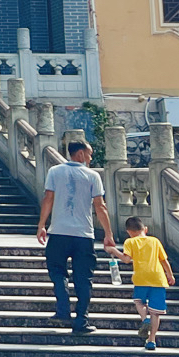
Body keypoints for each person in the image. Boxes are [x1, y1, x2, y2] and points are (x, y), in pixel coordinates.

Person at [36, 140, 115, 335]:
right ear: (80, 154)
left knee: (57, 271)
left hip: (59, 232)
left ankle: (63, 310)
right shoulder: (92, 176)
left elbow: (48, 198)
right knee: (83, 278)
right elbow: (100, 206)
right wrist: (108, 234)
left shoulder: (55, 171)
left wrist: (42, 225)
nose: (90, 158)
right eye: (89, 154)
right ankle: (81, 320)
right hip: (83, 235)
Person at [118, 215, 174, 351]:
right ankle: (152, 340)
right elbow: (164, 260)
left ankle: (144, 319)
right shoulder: (155, 241)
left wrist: (113, 250)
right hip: (158, 278)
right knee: (156, 312)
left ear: (129, 232)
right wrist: (170, 274)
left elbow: (126, 260)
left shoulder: (130, 242)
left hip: (141, 278)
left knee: (139, 302)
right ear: (145, 229)